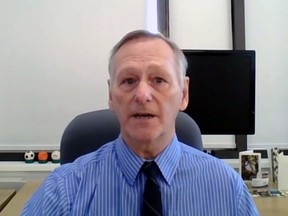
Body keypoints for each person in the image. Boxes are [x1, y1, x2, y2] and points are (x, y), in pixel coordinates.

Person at [21, 30, 259, 215]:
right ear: (111, 96)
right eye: (128, 81)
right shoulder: (63, 190)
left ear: (183, 94)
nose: (142, 94)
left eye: (158, 79)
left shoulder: (227, 188)